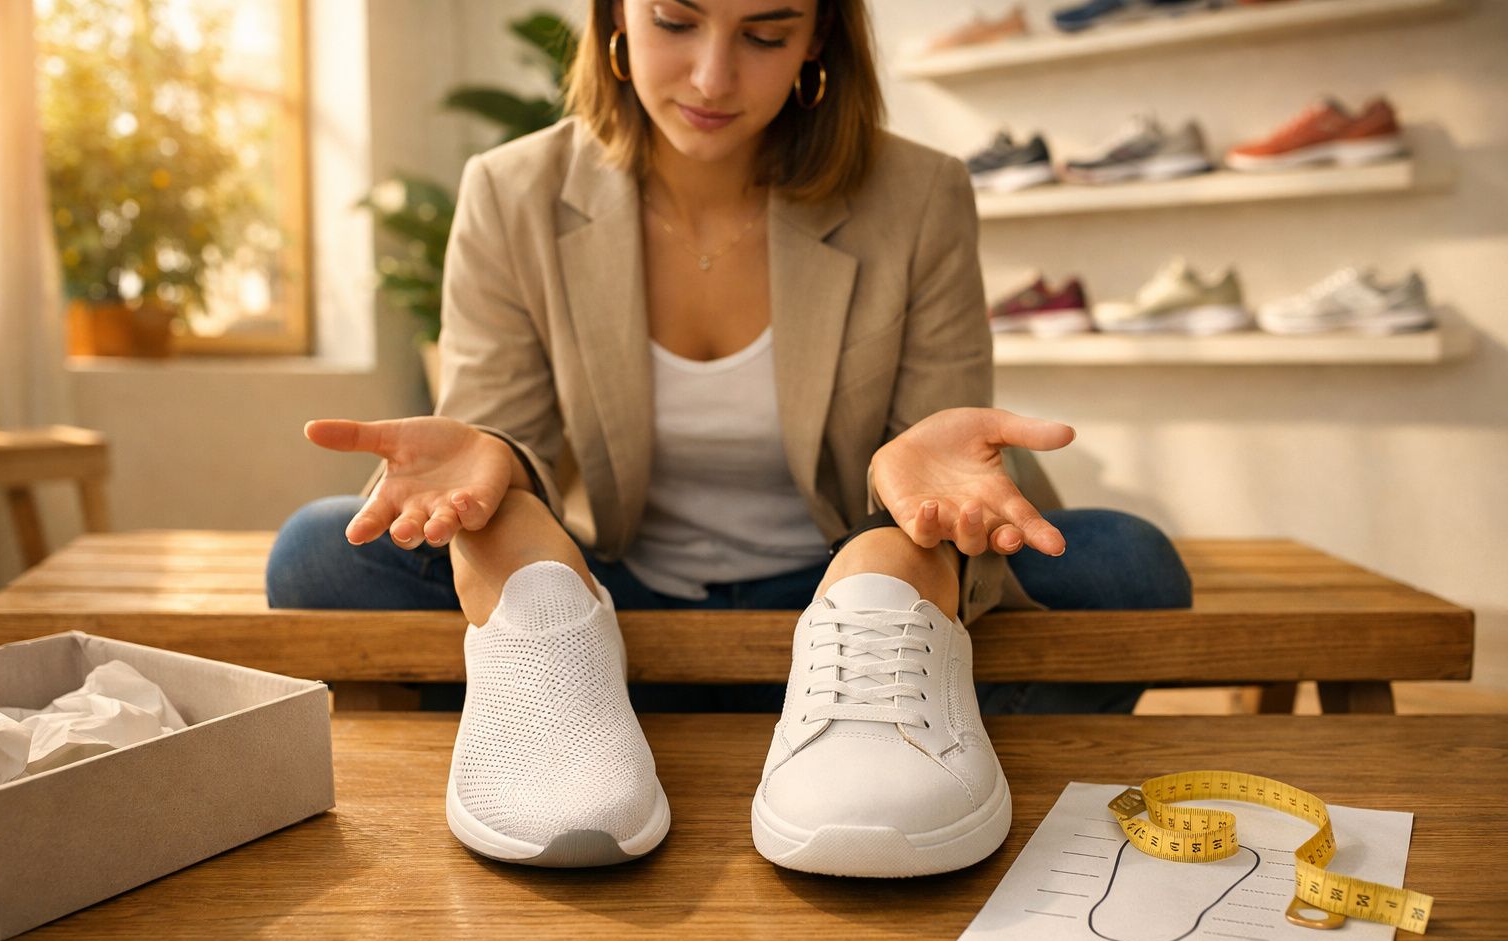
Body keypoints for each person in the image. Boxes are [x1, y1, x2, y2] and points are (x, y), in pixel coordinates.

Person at [267, 0, 1191, 876]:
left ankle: (845, 719)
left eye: (764, 32)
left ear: (818, 39)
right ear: (615, 17)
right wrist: (493, 453)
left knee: (1127, 565)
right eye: (675, 21)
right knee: (319, 551)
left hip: (854, 601)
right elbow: (501, 443)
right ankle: (570, 686)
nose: (712, 76)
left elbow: (938, 460)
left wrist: (912, 474)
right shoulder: (511, 190)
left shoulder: (919, 190)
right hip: (617, 592)